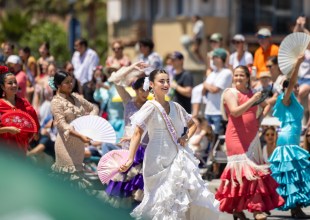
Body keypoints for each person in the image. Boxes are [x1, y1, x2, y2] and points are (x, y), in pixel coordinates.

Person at [120, 69, 220, 220]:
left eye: (167, 81)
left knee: (178, 198)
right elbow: (137, 133)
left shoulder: (176, 106)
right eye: (162, 81)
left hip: (176, 157)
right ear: (152, 85)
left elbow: (192, 124)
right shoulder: (149, 106)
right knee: (160, 200)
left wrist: (185, 137)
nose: (166, 84)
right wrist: (129, 159)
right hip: (156, 160)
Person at [215, 65, 284, 220]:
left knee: (250, 174)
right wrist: (253, 100)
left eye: (241, 75)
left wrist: (259, 119)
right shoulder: (230, 92)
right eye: (236, 75)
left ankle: (240, 210)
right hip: (235, 137)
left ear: (247, 78)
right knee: (248, 173)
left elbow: (266, 105)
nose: (238, 78)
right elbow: (235, 111)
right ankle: (256, 210)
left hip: (252, 138)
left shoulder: (253, 93)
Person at [268, 55, 310, 217]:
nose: (293, 87)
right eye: (289, 85)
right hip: (287, 140)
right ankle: (294, 208)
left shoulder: (295, 101)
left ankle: (295, 206)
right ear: (285, 88)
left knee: (294, 173)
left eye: (295, 85)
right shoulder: (286, 99)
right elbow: (291, 82)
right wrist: (298, 63)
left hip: (292, 139)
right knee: (290, 174)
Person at [103, 68, 150, 207]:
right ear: (136, 89)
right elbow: (114, 79)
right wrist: (132, 67)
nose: (145, 93)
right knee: (122, 190)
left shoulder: (151, 106)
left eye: (148, 90)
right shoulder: (128, 102)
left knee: (138, 192)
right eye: (142, 90)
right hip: (126, 150)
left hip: (142, 151)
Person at [50, 70, 100, 192]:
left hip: (79, 145)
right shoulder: (56, 102)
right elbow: (62, 125)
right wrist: (80, 135)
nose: (70, 84)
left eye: (71, 82)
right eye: (67, 82)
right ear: (58, 85)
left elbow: (94, 107)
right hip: (65, 145)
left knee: (77, 178)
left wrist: (90, 120)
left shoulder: (77, 97)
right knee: (69, 181)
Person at [0, 65, 39, 155]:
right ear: (2, 87)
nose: (14, 85)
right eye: (10, 83)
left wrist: (34, 133)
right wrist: (7, 129)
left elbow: (33, 122)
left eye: (15, 82)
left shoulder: (24, 103)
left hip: (21, 151)